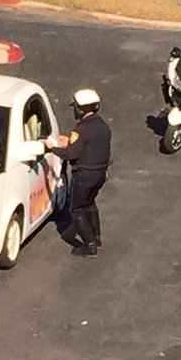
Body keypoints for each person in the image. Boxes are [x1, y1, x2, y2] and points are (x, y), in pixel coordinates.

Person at [45, 88, 112, 258]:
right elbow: (88, 145)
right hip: (100, 174)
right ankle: (96, 237)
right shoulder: (102, 126)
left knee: (76, 208)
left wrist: (53, 148)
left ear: (80, 109)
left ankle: (89, 245)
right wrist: (69, 141)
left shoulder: (81, 130)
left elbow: (71, 154)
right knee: (89, 203)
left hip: (84, 175)